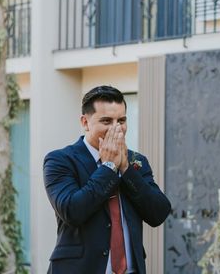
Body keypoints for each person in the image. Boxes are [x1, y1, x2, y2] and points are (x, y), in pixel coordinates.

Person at [43, 85, 171, 274]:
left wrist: (125, 168)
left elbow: (159, 213)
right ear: (85, 122)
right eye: (106, 121)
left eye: (121, 120)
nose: (116, 128)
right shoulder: (60, 160)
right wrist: (109, 167)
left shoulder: (136, 161)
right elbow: (72, 211)